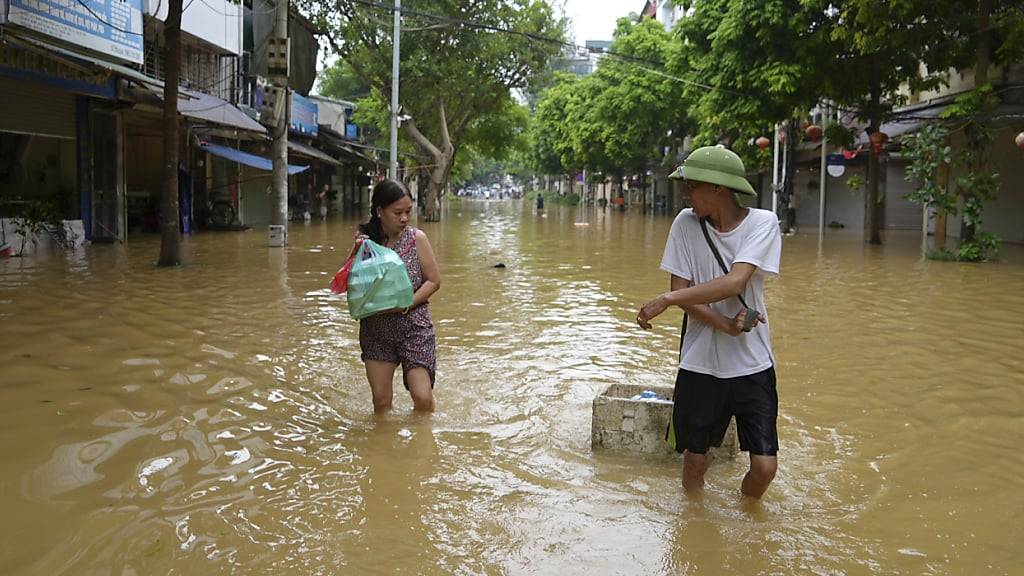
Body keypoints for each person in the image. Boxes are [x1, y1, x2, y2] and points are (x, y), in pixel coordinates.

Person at [636, 145, 782, 500]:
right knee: (695, 459)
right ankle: (695, 522)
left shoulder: (764, 222)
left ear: (718, 188)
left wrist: (666, 300)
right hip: (700, 362)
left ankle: (746, 514)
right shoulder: (685, 223)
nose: (686, 195)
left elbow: (735, 281)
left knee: (765, 467)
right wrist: (723, 324)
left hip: (752, 362)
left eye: (692, 186)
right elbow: (683, 290)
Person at [348, 179, 441, 413]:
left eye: (408, 212)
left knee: (423, 399)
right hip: (376, 330)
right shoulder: (366, 243)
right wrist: (355, 253)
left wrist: (407, 304)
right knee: (381, 402)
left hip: (414, 328)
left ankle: (421, 446)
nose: (404, 218)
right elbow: (351, 285)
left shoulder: (416, 238)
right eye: (397, 212)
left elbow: (434, 280)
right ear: (380, 211)